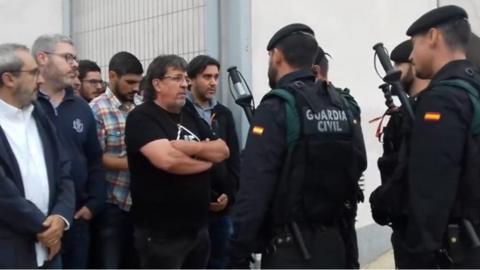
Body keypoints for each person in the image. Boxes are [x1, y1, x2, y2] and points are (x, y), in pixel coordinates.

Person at [228, 23, 367, 268]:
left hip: (291, 250)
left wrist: (238, 249)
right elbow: (358, 164)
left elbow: (254, 188)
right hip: (336, 243)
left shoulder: (276, 107)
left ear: (277, 55)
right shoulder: (340, 104)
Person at [374, 5, 480, 268]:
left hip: (453, 250)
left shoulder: (442, 99)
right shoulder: (473, 87)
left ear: (433, 37)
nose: (412, 54)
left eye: (414, 44)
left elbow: (431, 189)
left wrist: (418, 253)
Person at [125, 54, 229, 269]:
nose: (185, 85)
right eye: (177, 78)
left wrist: (191, 148)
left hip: (198, 229)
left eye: (185, 79)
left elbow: (222, 150)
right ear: (157, 84)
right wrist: (206, 161)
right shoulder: (142, 117)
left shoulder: (188, 114)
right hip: (161, 235)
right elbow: (168, 160)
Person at [32, 34, 106, 269]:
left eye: (74, 58)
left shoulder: (82, 108)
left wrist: (94, 204)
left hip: (76, 218)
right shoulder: (26, 106)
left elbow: (94, 159)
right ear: (42, 59)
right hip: (35, 222)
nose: (75, 64)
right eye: (67, 57)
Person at [0, 43, 74, 268]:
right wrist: (44, 227)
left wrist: (60, 218)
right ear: (8, 79)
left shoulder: (39, 115)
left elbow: (64, 170)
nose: (40, 81)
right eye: (33, 73)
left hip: (51, 249)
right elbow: (4, 195)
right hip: (12, 250)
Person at [89, 51, 143, 269]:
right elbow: (95, 158)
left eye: (138, 82)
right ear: (112, 76)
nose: (136, 88)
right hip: (112, 204)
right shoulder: (96, 109)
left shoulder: (141, 107)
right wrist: (138, 163)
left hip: (140, 204)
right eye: (130, 82)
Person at [312, 46, 365, 269]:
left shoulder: (340, 102)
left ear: (315, 71)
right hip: (342, 203)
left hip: (325, 211)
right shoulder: (346, 102)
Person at [186, 54, 241, 269]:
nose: (213, 82)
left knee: (221, 261)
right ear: (190, 79)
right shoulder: (182, 113)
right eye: (206, 76)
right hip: (193, 209)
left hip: (222, 209)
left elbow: (234, 159)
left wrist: (230, 194)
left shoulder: (223, 114)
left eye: (216, 77)